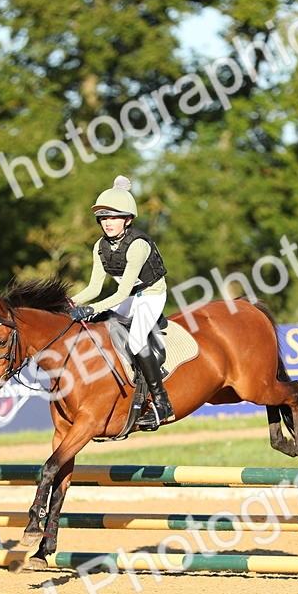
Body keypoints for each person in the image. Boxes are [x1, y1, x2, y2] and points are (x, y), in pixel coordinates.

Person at [69, 175, 174, 428]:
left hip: (151, 295)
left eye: (114, 217)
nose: (108, 223)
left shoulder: (137, 245)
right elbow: (94, 287)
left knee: (137, 341)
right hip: (128, 297)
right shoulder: (100, 246)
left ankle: (161, 401)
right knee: (98, 323)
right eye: (103, 218)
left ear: (128, 220)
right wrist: (69, 302)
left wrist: (90, 308)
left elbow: (119, 293)